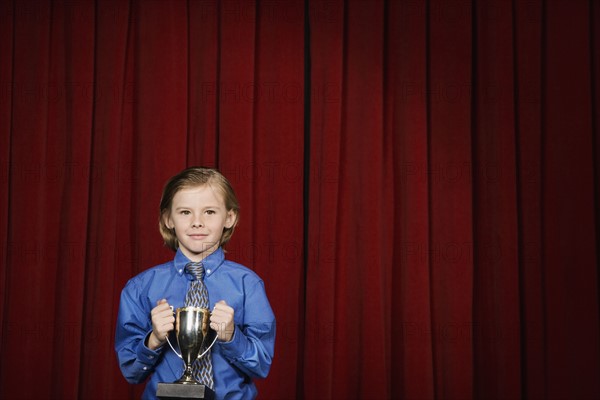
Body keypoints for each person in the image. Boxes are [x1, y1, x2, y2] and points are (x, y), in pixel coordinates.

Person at [115, 166, 276, 400]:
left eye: (209, 212)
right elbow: (131, 371)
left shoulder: (247, 284)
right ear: (168, 219)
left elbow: (261, 365)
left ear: (229, 218)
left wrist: (232, 336)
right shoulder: (140, 287)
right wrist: (154, 339)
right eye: (185, 212)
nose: (197, 222)